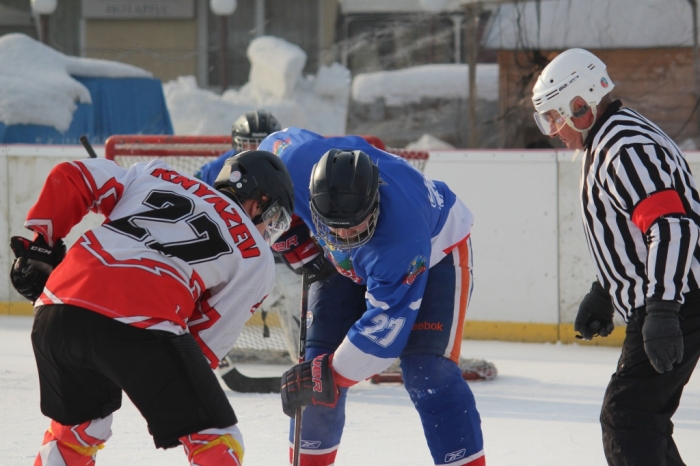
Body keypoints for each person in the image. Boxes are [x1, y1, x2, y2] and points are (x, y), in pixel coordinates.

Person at [10, 150, 294, 465]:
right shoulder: (257, 256)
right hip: (141, 320)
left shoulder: (155, 172)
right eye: (275, 219)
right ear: (259, 202)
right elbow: (202, 343)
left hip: (55, 308)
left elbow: (73, 175)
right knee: (216, 437)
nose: (270, 230)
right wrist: (138, 369)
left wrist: (42, 244)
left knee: (78, 432)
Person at [259, 128, 485, 466]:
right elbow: (266, 161)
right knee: (314, 374)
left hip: (437, 252)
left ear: (374, 199)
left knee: (427, 372)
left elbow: (382, 338)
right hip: (347, 265)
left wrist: (328, 375)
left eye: (354, 224)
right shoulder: (294, 163)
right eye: (333, 225)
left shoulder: (401, 242)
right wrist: (287, 232)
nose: (345, 234)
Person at [532, 48, 700, 465]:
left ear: (581, 106)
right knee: (641, 416)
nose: (553, 130)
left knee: (629, 416)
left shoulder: (623, 148)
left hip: (676, 298)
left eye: (555, 117)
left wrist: (662, 310)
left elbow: (671, 227)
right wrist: (606, 289)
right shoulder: (611, 139)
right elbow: (634, 231)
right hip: (670, 296)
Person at [196, 109, 281, 186]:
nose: (257, 150)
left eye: (263, 144)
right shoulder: (214, 171)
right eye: (251, 145)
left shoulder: (285, 165)